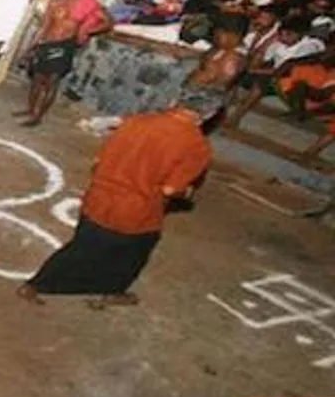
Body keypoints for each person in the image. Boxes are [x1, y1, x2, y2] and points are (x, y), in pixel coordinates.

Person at [18, 94, 219, 308]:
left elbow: (99, 160)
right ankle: (111, 290)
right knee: (132, 254)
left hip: (98, 197)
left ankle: (37, 285)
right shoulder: (196, 145)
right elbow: (170, 189)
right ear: (208, 115)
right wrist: (186, 193)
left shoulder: (138, 120)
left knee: (82, 246)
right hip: (136, 211)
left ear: (176, 103)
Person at [17, 0, 101, 126]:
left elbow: (106, 22)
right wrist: (31, 47)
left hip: (64, 45)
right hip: (48, 43)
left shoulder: (87, 5)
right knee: (36, 80)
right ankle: (30, 109)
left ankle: (38, 117)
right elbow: (44, 27)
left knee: (52, 83)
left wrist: (85, 31)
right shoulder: (55, 2)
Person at [228, 17, 326, 127]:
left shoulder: (309, 46)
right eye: (281, 34)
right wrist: (267, 43)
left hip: (294, 81)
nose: (284, 38)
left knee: (261, 84)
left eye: (288, 34)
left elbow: (285, 69)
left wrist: (256, 70)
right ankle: (232, 100)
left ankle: (237, 115)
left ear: (300, 34)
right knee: (240, 71)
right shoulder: (278, 43)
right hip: (275, 75)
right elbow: (263, 58)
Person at [183, 16, 248, 98]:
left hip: (199, 97)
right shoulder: (223, 48)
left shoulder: (231, 61)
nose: (214, 36)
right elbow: (204, 58)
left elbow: (215, 86)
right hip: (191, 87)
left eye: (218, 34)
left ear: (232, 35)